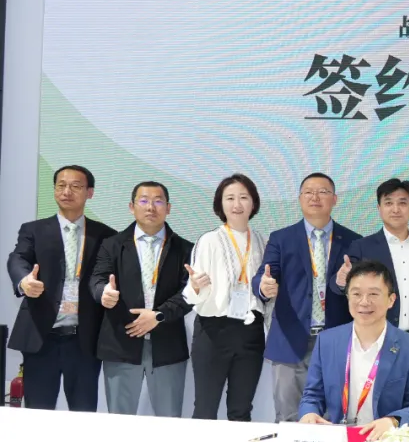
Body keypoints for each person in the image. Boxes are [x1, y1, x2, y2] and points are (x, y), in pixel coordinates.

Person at [6, 165, 117, 411]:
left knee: (83, 410)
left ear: (89, 193)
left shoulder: (106, 235)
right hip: (41, 337)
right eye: (61, 185)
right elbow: (18, 258)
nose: (67, 191)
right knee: (38, 410)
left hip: (84, 340)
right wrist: (24, 281)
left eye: (76, 186)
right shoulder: (33, 230)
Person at [254, 172, 361, 422]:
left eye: (323, 192)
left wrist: (344, 282)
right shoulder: (281, 238)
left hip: (335, 340)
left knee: (331, 417)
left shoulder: (353, 241)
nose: (315, 197)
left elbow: (358, 288)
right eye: (309, 192)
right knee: (288, 417)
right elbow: (265, 274)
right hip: (289, 341)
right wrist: (264, 286)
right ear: (300, 198)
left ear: (334, 199)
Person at [90, 181, 194, 416]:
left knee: (169, 420)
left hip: (167, 346)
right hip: (121, 342)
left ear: (168, 208)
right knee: (120, 420)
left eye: (158, 201)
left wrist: (159, 315)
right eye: (144, 201)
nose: (150, 207)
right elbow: (97, 279)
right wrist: (103, 293)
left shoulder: (185, 249)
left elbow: (189, 293)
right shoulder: (112, 245)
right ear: (132, 207)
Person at [298, 260, 409, 438]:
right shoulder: (327, 341)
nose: (364, 302)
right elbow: (312, 395)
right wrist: (309, 413)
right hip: (339, 438)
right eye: (356, 294)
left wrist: (393, 421)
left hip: (384, 441)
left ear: (391, 300)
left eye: (373, 294)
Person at [182, 174, 269, 421]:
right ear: (220, 204)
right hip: (213, 331)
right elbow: (193, 292)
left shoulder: (263, 241)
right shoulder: (209, 240)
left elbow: (266, 291)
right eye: (230, 198)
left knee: (241, 409)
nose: (237, 204)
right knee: (205, 408)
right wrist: (195, 287)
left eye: (243, 197)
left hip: (251, 332)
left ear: (253, 203)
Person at [336, 178, 409, 365]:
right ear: (379, 208)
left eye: (402, 203)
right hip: (377, 339)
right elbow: (342, 285)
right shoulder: (362, 246)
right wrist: (341, 281)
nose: (395, 209)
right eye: (388, 203)